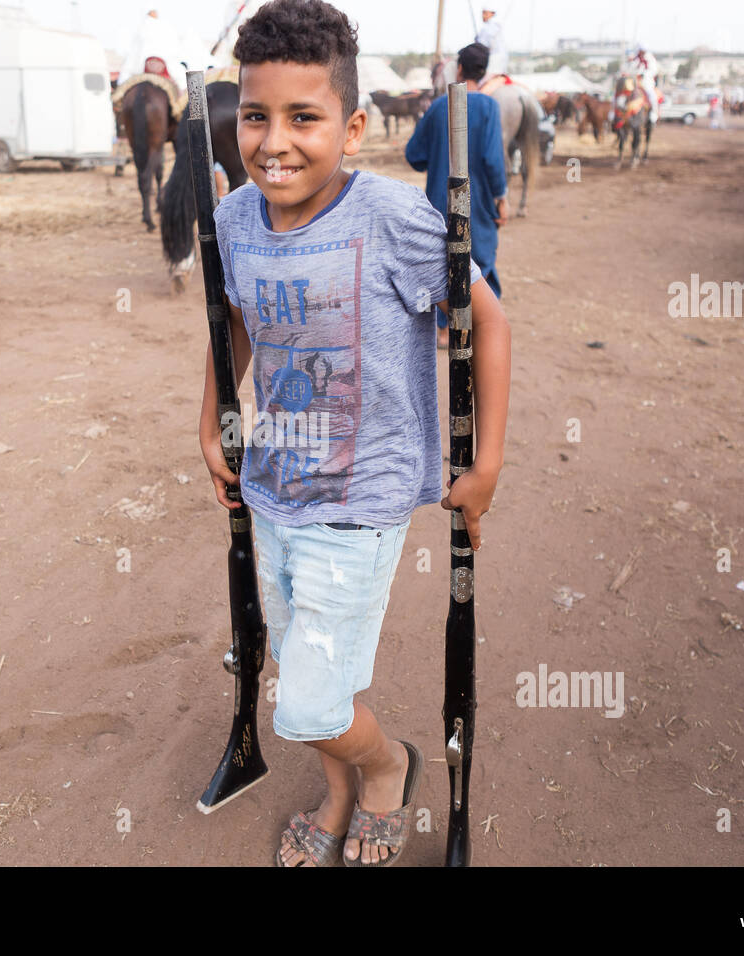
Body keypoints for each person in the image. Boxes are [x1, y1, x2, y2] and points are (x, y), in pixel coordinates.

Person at [198, 0, 510, 867]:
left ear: (355, 126)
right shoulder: (234, 221)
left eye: (305, 117)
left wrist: (485, 464)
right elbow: (237, 323)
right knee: (301, 663)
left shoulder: (391, 220)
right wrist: (214, 421)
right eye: (256, 116)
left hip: (360, 500)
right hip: (273, 491)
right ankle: (339, 791)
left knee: (306, 705)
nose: (274, 141)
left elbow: (486, 320)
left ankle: (387, 768)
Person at [406, 42, 509, 349]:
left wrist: (437, 156)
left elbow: (413, 154)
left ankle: (442, 330)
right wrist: (501, 196)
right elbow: (493, 160)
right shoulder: (489, 107)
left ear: (460, 68)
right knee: (479, 261)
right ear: (485, 71)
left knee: (443, 262)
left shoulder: (439, 106)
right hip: (476, 205)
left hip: (439, 205)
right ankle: (479, 328)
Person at [475, 8, 510, 91]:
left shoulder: (487, 28)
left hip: (492, 64)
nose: (482, 16)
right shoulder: (497, 27)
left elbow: (481, 47)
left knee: (477, 87)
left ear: (492, 14)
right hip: (501, 65)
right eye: (482, 13)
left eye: (485, 13)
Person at [626, 43, 660, 122]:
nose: (642, 52)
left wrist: (644, 74)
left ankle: (653, 114)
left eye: (643, 51)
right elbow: (631, 68)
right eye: (641, 51)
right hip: (634, 82)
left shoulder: (650, 59)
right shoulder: (635, 58)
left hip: (646, 82)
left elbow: (654, 70)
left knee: (651, 95)